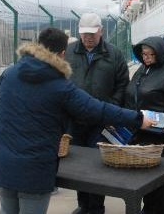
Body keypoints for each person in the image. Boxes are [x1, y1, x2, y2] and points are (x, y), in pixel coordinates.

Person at [0, 27, 154, 214]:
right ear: (62, 54)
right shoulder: (60, 86)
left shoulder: (9, 74)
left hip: (2, 162)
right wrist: (138, 119)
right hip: (33, 169)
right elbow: (97, 110)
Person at [65, 12, 130, 214]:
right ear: (79, 32)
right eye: (84, 33)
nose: (88, 37)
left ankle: (96, 207)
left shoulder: (114, 54)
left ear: (101, 31)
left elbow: (122, 85)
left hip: (101, 121)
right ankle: (83, 204)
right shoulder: (68, 52)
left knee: (97, 165)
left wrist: (111, 108)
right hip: (74, 120)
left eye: (92, 33)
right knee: (77, 165)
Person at [125, 36, 164, 214]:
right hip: (139, 131)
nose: (145, 57)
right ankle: (149, 208)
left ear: (159, 53)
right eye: (143, 54)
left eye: (150, 54)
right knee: (143, 176)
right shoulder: (143, 69)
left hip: (161, 136)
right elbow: (131, 94)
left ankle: (158, 210)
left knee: (157, 179)